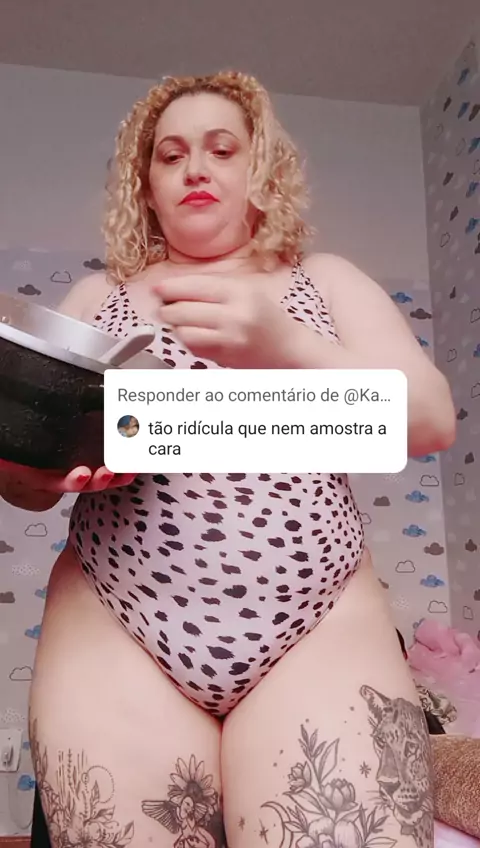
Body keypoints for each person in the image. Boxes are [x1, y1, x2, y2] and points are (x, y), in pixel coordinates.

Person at [0, 71, 456, 848]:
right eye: (171, 154)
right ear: (147, 187)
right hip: (116, 618)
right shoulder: (98, 297)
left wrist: (286, 343)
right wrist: (35, 473)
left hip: (319, 620)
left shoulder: (325, 281)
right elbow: (28, 486)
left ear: (260, 170)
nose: (195, 168)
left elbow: (429, 420)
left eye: (221, 148)